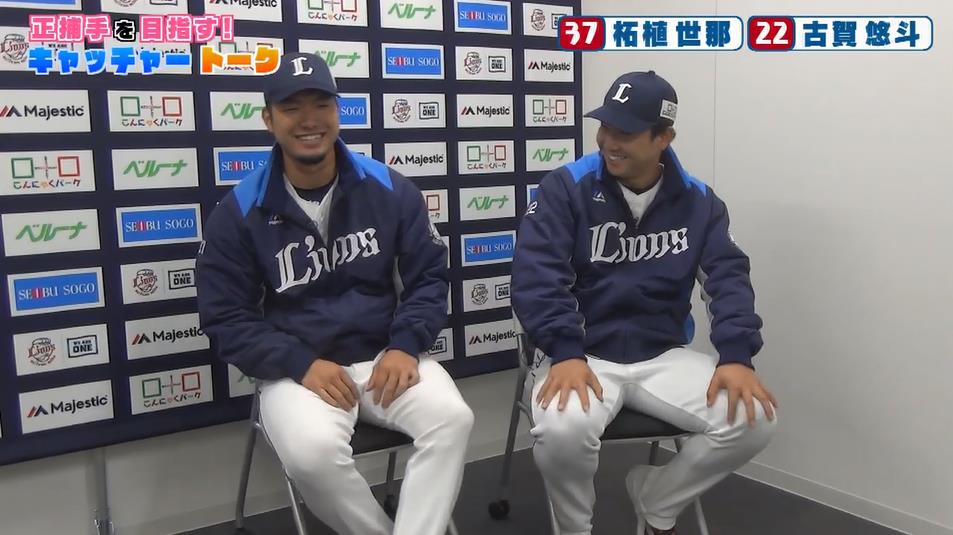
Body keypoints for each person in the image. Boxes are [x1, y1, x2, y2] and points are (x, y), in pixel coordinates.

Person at [195, 52, 473, 535]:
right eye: (291, 108)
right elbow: (225, 317)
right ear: (269, 120)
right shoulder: (239, 210)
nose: (309, 120)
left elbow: (429, 276)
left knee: (453, 419)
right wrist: (299, 363)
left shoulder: (389, 189)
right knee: (312, 455)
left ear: (338, 112)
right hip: (298, 370)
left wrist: (405, 345)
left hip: (384, 357)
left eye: (321, 104)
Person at [511, 70, 779, 535]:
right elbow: (536, 277)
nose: (609, 142)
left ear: (663, 139)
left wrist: (737, 356)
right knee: (562, 431)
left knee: (755, 419)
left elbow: (728, 279)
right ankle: (575, 528)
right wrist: (565, 351)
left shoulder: (699, 202)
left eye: (626, 133)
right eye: (605, 126)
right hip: (581, 354)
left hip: (661, 353)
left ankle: (657, 499)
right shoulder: (565, 188)